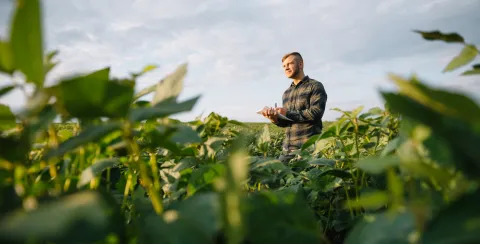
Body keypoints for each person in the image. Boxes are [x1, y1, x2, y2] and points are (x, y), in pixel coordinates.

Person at [262, 52, 327, 163]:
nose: (286, 68)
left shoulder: (314, 86)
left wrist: (287, 113)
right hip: (288, 149)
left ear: (300, 64)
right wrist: (275, 118)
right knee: (277, 175)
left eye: (290, 64)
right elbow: (287, 122)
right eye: (284, 66)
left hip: (308, 149)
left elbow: (316, 113)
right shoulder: (286, 93)